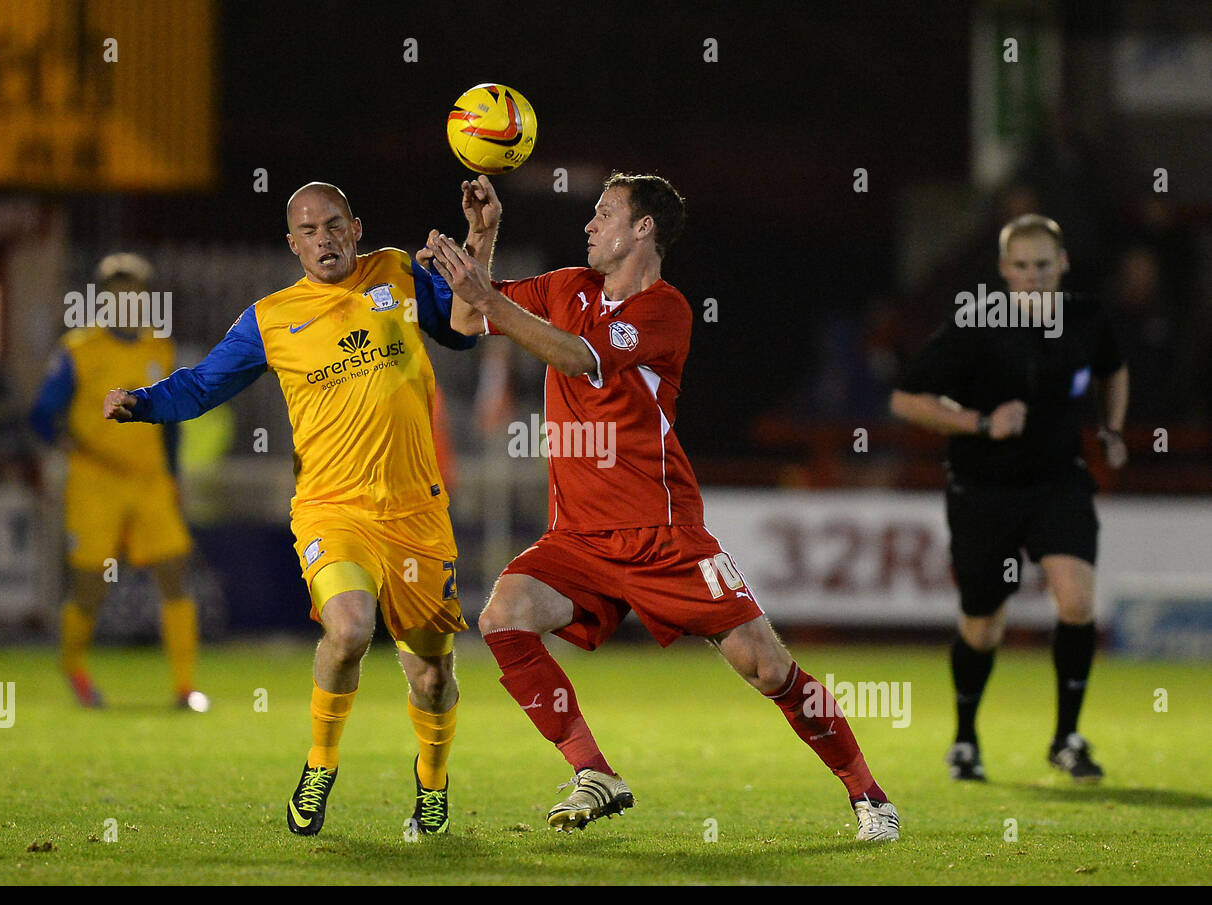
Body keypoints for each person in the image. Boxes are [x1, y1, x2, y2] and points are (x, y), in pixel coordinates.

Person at [429, 173, 900, 841]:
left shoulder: (665, 311)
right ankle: (595, 772)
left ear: (643, 228)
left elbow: (577, 357)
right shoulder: (566, 287)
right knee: (502, 616)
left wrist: (486, 296)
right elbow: (466, 319)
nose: (589, 226)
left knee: (767, 667)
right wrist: (483, 236)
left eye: (603, 214)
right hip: (579, 538)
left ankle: (869, 795)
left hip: (663, 535)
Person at [104, 182, 484, 836]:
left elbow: (465, 329)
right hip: (330, 509)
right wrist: (142, 402)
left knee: (430, 674)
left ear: (356, 226)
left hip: (416, 512)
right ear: (292, 243)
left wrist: (478, 239)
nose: (323, 239)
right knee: (349, 629)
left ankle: (431, 780)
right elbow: (202, 385)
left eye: (334, 224)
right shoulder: (272, 318)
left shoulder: (397, 270)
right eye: (308, 230)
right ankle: (320, 763)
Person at [889, 214, 1129, 782]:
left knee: (1076, 603)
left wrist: (1112, 429)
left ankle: (1066, 738)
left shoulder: (1087, 318)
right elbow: (906, 400)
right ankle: (965, 740)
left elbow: (1114, 370)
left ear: (1062, 263)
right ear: (1003, 270)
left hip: (1058, 484)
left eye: (1043, 264)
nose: (1032, 276)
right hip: (983, 493)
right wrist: (979, 421)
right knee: (983, 626)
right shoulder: (974, 326)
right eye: (1020, 266)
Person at [30, 253, 203, 711]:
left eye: (133, 294)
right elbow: (42, 415)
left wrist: (174, 477)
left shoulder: (159, 349)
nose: (126, 302)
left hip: (149, 482)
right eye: (116, 294)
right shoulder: (78, 350)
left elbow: (172, 420)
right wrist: (68, 446)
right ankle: (74, 667)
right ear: (103, 300)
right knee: (90, 584)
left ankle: (185, 688)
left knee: (175, 574)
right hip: (96, 481)